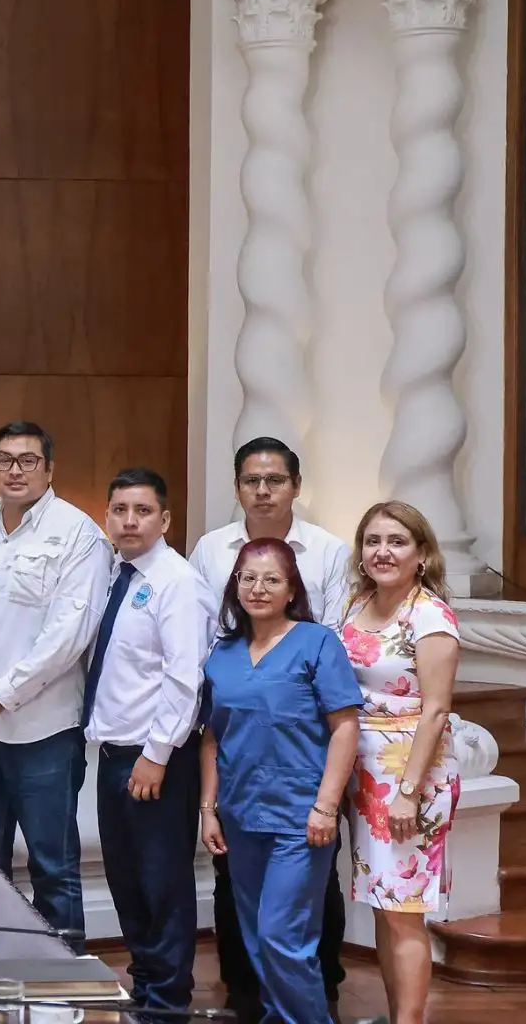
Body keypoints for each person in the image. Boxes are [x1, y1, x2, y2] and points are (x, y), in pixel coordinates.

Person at [189, 436, 352, 1019]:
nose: (258, 589)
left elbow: (342, 727)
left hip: (299, 813)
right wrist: (209, 809)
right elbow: (211, 734)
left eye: (272, 581)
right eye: (248, 580)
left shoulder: (317, 642)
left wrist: (327, 807)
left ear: (292, 588)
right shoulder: (224, 652)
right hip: (239, 811)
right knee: (259, 940)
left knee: (286, 940)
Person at [0, 421, 107, 935]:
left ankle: (63, 991)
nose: (15, 470)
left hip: (43, 733)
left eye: (28, 460)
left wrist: (2, 693)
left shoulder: (79, 533)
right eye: (5, 459)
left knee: (52, 868)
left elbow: (69, 634)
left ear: (49, 469)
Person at [82, 468, 207, 1013]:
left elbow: (185, 678)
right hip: (114, 756)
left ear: (165, 520)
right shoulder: (117, 573)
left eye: (142, 511)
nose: (129, 521)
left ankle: (168, 1001)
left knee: (162, 885)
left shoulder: (175, 581)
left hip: (155, 759)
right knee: (127, 881)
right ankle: (146, 987)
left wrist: (156, 756)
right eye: (120, 510)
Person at [341, 502, 461, 1024]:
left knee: (404, 908)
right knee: (382, 902)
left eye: (396, 541)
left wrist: (409, 790)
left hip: (412, 772)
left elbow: (436, 709)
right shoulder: (357, 603)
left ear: (422, 553)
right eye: (372, 541)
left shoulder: (429, 613)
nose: (382, 551)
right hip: (364, 771)